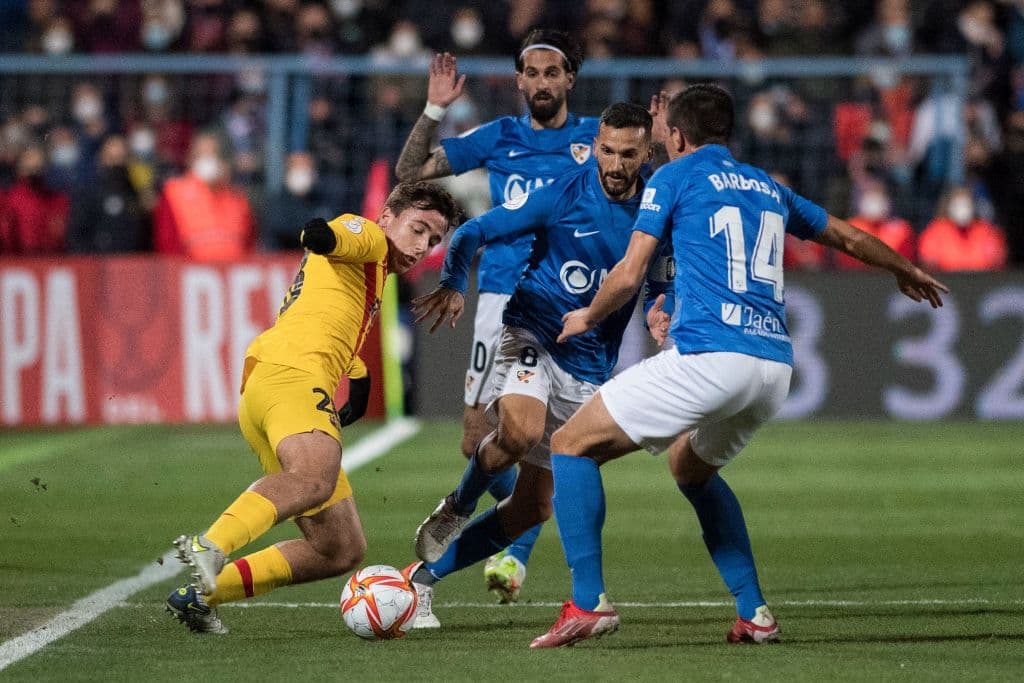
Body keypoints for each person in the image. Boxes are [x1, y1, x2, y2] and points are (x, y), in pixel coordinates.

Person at [531, 84, 949, 649]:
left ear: (674, 137)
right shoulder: (768, 185)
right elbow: (846, 233)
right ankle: (755, 613)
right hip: (773, 368)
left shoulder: (672, 178)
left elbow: (630, 273)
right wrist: (903, 268)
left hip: (711, 357)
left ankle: (587, 603)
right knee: (690, 468)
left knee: (568, 443)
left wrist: (587, 315)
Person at [407, 102, 672, 629]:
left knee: (532, 508)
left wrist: (661, 308)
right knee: (519, 431)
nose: (616, 164)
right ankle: (459, 504)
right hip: (533, 332)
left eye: (628, 154)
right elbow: (472, 233)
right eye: (608, 150)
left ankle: (420, 581)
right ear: (595, 145)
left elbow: (662, 276)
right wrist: (456, 283)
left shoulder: (658, 209)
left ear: (647, 153)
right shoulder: (563, 193)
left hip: (591, 363)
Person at [165, 181, 461, 634]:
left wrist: (358, 385)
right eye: (418, 229)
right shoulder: (366, 234)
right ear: (388, 217)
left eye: (433, 240)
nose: (422, 246)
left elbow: (334, 329)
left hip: (272, 385)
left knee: (339, 548)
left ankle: (204, 594)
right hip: (292, 378)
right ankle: (211, 547)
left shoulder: (372, 272)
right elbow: (335, 235)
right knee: (314, 478)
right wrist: (321, 236)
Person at [394, 29, 600, 602]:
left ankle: (514, 551)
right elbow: (409, 173)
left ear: (569, 80)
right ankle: (501, 525)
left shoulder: (596, 140)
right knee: (475, 439)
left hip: (570, 306)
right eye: (530, 73)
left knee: (552, 448)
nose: (539, 82)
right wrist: (435, 108)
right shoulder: (499, 137)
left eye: (550, 73)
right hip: (502, 302)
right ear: (518, 81)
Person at [153, 132, 256, 261]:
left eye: (213, 154)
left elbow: (249, 241)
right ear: (191, 158)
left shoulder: (237, 197)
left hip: (233, 273)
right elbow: (166, 242)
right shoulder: (174, 192)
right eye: (202, 154)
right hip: (190, 273)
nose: (208, 160)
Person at [917, 186, 1008, 271]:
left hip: (980, 281)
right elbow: (927, 260)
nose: (963, 210)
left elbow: (997, 259)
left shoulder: (985, 231)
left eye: (966, 205)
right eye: (958, 206)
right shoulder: (936, 230)